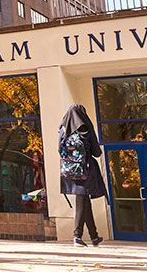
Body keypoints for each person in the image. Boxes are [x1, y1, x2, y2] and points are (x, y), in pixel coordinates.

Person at [58, 104, 105, 248]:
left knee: (85, 201)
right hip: (85, 170)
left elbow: (60, 150)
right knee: (81, 200)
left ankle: (94, 236)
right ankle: (77, 236)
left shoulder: (63, 130)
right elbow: (97, 152)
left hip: (69, 171)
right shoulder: (85, 128)